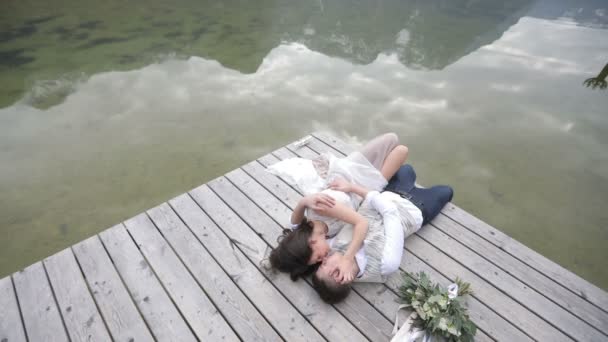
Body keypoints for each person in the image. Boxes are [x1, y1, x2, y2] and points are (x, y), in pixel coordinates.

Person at [268, 133, 409, 281]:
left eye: (317, 257)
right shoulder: (322, 236)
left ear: (311, 242)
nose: (321, 260)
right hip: (366, 188)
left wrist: (347, 258)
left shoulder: (321, 209)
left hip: (349, 174)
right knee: (402, 151)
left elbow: (362, 223)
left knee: (392, 138)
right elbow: (294, 226)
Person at [312, 165, 454, 304]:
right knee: (447, 190)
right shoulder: (385, 264)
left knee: (407, 168)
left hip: (390, 192)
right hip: (416, 207)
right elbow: (391, 212)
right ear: (337, 275)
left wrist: (304, 203)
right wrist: (352, 187)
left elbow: (303, 234)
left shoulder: (334, 248)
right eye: (323, 265)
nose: (323, 260)